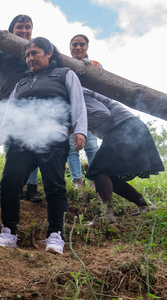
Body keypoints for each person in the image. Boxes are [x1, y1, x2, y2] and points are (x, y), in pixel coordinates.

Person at [0, 37, 87, 254]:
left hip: (52, 135)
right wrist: (3, 133)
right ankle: (9, 233)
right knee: (10, 183)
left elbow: (78, 101)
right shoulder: (21, 83)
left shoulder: (65, 74)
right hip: (22, 139)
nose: (30, 58)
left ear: (49, 53)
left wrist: (80, 130)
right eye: (27, 55)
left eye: (34, 53)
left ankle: (55, 236)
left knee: (54, 185)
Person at [0, 14, 42, 203]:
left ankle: (31, 187)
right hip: (6, 100)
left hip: (33, 101)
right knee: (11, 141)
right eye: (19, 27)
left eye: (28, 27)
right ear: (12, 30)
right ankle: (13, 184)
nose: (24, 30)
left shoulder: (35, 49)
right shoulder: (2, 50)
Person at [82, 88, 163, 222]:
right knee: (109, 175)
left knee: (98, 170)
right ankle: (145, 205)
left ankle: (104, 215)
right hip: (130, 126)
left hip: (124, 127)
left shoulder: (79, 92)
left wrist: (75, 128)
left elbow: (101, 113)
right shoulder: (78, 92)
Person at [67, 34, 102, 188]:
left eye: (82, 44)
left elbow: (101, 88)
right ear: (70, 47)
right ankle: (77, 181)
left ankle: (95, 180)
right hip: (70, 110)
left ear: (87, 47)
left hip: (89, 111)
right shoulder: (64, 65)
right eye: (75, 44)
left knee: (91, 146)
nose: (78, 47)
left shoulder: (95, 65)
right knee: (71, 148)